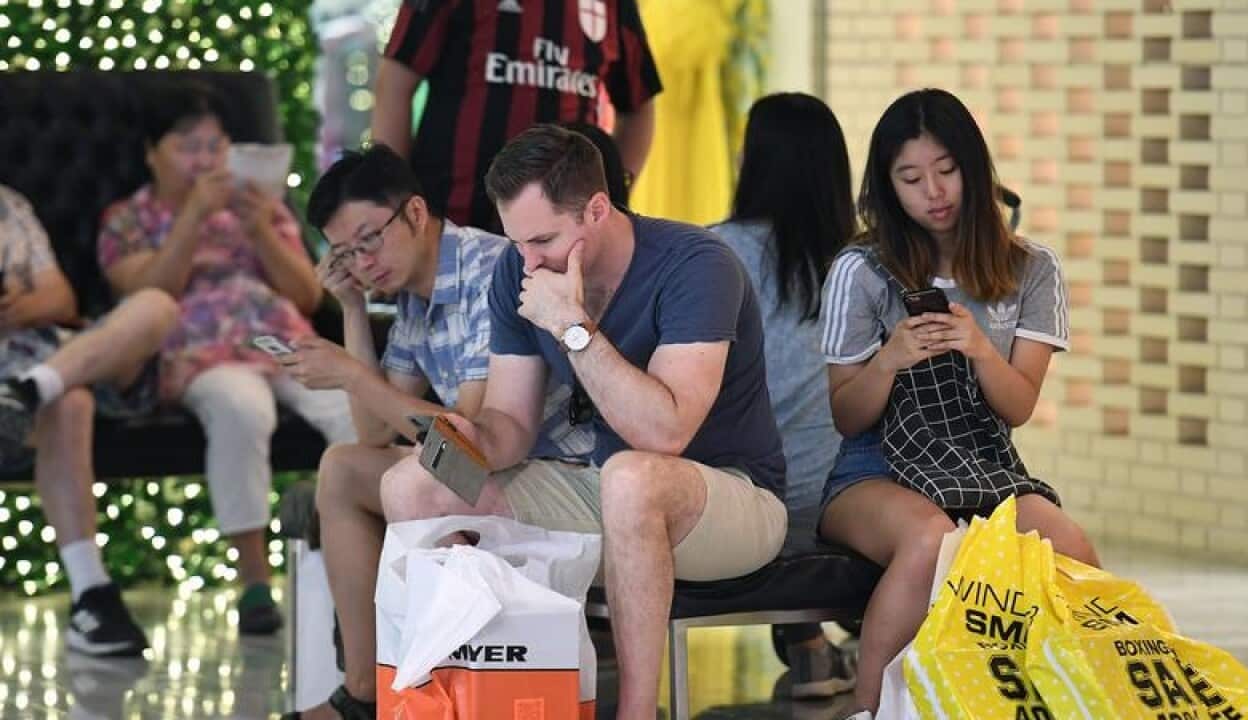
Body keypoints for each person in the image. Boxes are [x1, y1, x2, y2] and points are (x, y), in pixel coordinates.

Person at [374, 124, 788, 720]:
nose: (528, 260)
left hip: (730, 498)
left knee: (633, 477)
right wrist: (472, 440)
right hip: (604, 490)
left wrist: (571, 326)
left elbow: (665, 434)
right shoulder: (519, 272)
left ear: (596, 209)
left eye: (542, 239)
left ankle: (637, 713)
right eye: (516, 242)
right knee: (411, 482)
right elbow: (510, 427)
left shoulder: (698, 265)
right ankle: (451, 699)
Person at [278, 143, 592, 720]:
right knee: (344, 467)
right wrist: (350, 309)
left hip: (547, 473)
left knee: (410, 477)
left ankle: (440, 694)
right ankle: (364, 693)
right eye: (346, 253)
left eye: (369, 239)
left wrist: (350, 372)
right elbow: (371, 430)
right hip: (492, 470)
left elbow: (473, 437)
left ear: (416, 213)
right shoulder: (414, 301)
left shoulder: (484, 269)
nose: (363, 262)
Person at [817, 88, 1099, 717]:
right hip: (874, 470)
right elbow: (845, 415)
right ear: (887, 187)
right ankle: (868, 709)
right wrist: (889, 359)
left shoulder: (1032, 269)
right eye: (911, 178)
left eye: (947, 171)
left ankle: (1090, 702)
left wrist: (977, 346)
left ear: (974, 168)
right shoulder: (860, 270)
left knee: (1071, 547)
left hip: (983, 464)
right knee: (930, 541)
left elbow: (1018, 406)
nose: (934, 192)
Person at [96, 82, 356, 636]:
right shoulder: (129, 218)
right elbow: (149, 295)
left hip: (281, 341)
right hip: (200, 352)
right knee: (243, 410)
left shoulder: (259, 205)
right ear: (152, 152)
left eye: (216, 146)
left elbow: (307, 297)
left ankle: (361, 566)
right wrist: (192, 217)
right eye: (188, 146)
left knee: (351, 410)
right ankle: (255, 582)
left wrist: (260, 226)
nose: (206, 160)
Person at [710, 92, 855, 699]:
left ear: (753, 161)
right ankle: (827, 645)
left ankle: (812, 647)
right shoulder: (862, 263)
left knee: (741, 451)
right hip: (850, 512)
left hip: (747, 515)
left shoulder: (710, 253)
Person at [0, 183, 178, 656]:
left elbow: (60, 298)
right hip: (42, 381)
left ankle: (27, 391)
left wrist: (22, 303)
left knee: (155, 305)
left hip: (59, 355)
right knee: (72, 404)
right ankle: (92, 594)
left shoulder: (11, 204)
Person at [372, 0, 662, 232]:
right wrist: (394, 207)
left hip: (564, 232)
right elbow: (394, 86)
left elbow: (639, 105)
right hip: (452, 226)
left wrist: (613, 193)